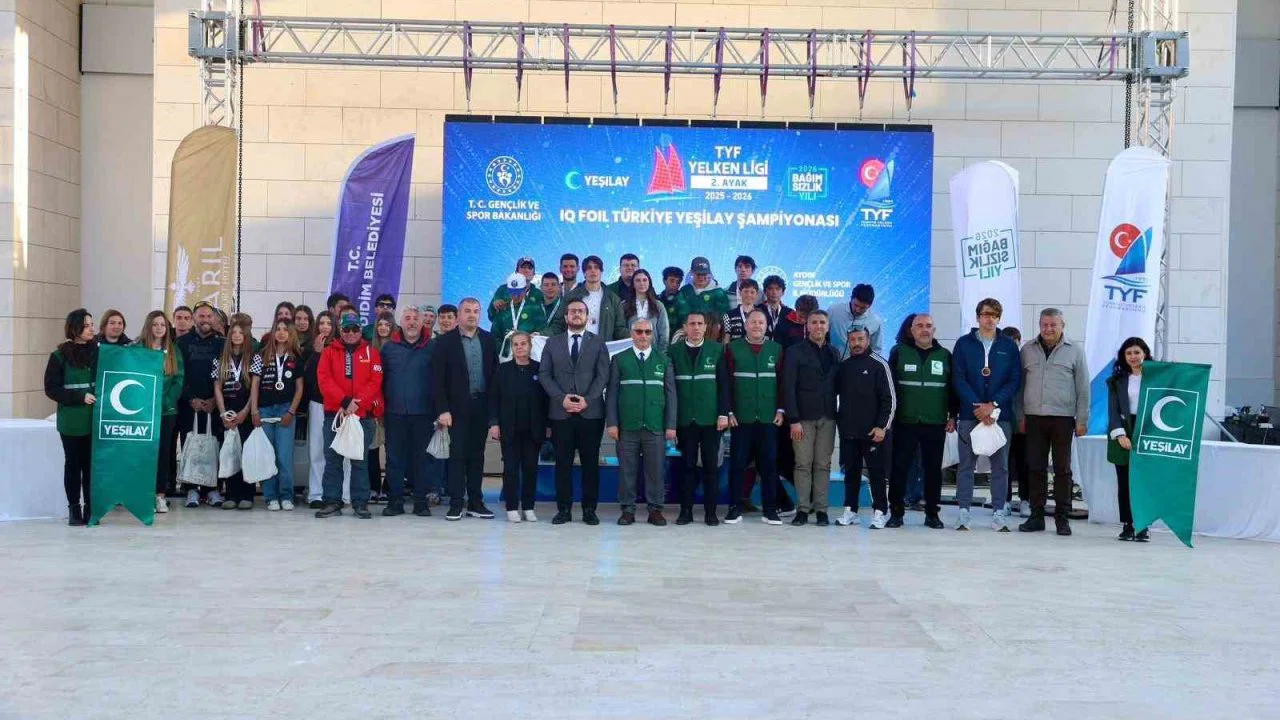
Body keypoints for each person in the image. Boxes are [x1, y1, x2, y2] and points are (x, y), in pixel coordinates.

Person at [951, 298, 1022, 531]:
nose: (989, 319)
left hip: (1000, 416)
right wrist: (978, 406)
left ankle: (999, 512)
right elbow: (958, 378)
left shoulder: (1008, 346)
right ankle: (963, 512)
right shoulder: (964, 344)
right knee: (966, 466)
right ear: (978, 317)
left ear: (999, 318)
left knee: (1000, 467)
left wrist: (993, 405)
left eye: (994, 315)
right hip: (970, 414)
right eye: (985, 314)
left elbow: (1014, 380)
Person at [540, 298, 611, 525]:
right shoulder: (552, 343)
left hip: (590, 413)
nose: (577, 314)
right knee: (563, 463)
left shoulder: (598, 343)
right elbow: (544, 374)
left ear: (587, 316)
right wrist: (561, 399)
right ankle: (564, 509)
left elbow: (603, 375)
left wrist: (587, 400)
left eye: (581, 311)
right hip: (561, 413)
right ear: (566, 316)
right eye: (572, 311)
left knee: (590, 464)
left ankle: (589, 510)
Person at [1019, 308, 1090, 535]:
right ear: (1039, 325)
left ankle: (1062, 518)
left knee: (1062, 470)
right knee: (1035, 468)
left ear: (1062, 326)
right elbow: (1019, 386)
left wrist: (1082, 419)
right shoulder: (1027, 350)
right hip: (1034, 418)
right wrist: (1020, 416)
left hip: (1063, 418)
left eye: (1053, 325)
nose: (1048, 329)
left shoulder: (1075, 351)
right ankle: (1036, 516)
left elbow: (1083, 387)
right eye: (1044, 325)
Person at [606, 318, 677, 527]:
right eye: (639, 331)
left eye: (647, 332)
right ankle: (627, 510)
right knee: (627, 471)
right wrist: (612, 423)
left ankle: (655, 510)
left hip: (655, 426)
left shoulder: (663, 360)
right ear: (632, 334)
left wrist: (671, 425)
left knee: (655, 471)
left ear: (653, 334)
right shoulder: (619, 359)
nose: (643, 336)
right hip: (627, 427)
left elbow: (671, 395)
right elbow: (612, 394)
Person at [432, 298, 498, 521]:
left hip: (481, 405)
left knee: (477, 455)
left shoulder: (488, 340)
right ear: (459, 315)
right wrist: (443, 409)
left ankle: (476, 502)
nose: (472, 315)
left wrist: (493, 413)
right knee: (457, 455)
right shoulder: (445, 342)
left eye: (476, 311)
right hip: (455, 408)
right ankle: (456, 503)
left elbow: (494, 377)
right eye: (467, 311)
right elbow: (437, 379)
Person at [887, 313, 955, 529]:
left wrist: (953, 415)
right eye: (920, 326)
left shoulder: (944, 355)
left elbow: (952, 388)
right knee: (899, 468)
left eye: (928, 326)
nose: (924, 329)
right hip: (905, 421)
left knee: (933, 470)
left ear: (934, 330)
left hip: (935, 422)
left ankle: (932, 514)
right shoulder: (899, 352)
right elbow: (890, 388)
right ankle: (896, 513)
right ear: (912, 330)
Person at [315, 313, 384, 520]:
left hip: (362, 416)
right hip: (335, 414)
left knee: (360, 461)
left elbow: (375, 381)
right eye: (347, 329)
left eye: (355, 329)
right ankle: (332, 501)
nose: (351, 333)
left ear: (360, 330)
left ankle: (360, 503)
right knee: (333, 460)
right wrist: (344, 401)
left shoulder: (372, 353)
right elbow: (324, 380)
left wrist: (357, 403)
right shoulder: (328, 352)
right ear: (340, 331)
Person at [668, 311, 730, 526]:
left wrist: (723, 413)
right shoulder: (673, 351)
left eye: (700, 324)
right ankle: (685, 511)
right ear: (685, 327)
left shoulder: (717, 350)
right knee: (687, 467)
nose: (696, 327)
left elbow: (724, 384)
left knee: (711, 468)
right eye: (692, 323)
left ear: (705, 327)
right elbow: (670, 388)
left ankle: (710, 513)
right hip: (685, 419)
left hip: (711, 420)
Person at [726, 310, 786, 525]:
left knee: (769, 466)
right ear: (746, 325)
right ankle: (734, 509)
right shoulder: (732, 349)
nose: (757, 326)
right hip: (741, 418)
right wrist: (729, 411)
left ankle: (770, 510)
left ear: (766, 325)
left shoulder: (776, 349)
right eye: (753, 322)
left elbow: (782, 383)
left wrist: (781, 410)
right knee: (737, 465)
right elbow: (727, 383)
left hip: (769, 418)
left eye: (761, 322)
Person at [782, 310, 839, 526]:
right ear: (807, 326)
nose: (818, 326)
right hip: (803, 418)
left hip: (828, 416)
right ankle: (803, 509)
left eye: (822, 322)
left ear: (827, 326)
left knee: (823, 465)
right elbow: (788, 387)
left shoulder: (834, 352)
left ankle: (821, 510)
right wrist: (793, 419)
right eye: (814, 322)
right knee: (803, 464)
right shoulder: (795, 352)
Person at [834, 326, 895, 529]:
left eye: (860, 339)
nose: (857, 343)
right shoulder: (844, 367)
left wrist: (882, 427)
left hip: (874, 433)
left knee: (876, 474)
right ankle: (850, 511)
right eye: (853, 340)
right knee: (851, 473)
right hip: (849, 432)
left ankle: (880, 511)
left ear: (868, 340)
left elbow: (890, 399)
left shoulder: (880, 365)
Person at [379, 304, 437, 517]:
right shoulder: (388, 348)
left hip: (424, 414)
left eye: (415, 319)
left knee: (423, 459)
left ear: (422, 323)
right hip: (394, 413)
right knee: (394, 459)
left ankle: (421, 502)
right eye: (408, 318)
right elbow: (380, 381)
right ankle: (395, 502)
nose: (412, 322)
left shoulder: (433, 347)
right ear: (401, 323)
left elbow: (440, 381)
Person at [44, 309, 98, 526]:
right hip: (71, 420)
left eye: (92, 324)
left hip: (95, 419)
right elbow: (51, 389)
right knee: (73, 465)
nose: (91, 329)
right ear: (74, 328)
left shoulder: (99, 352)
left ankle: (91, 509)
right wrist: (79, 397)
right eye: (86, 325)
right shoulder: (59, 356)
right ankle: (74, 509)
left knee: (91, 466)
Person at [489, 331, 549, 523]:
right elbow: (494, 399)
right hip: (509, 428)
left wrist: (548, 425)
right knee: (511, 469)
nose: (520, 347)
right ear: (512, 348)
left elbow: (547, 400)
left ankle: (529, 507)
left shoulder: (540, 369)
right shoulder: (503, 370)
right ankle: (512, 507)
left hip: (533, 429)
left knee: (531, 469)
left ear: (530, 346)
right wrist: (494, 423)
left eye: (523, 343)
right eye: (516, 344)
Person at [249, 318, 304, 511]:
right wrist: (254, 411)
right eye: (278, 329)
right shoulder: (261, 356)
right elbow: (255, 384)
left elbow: (299, 388)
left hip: (285, 410)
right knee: (267, 455)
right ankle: (270, 496)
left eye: (285, 330)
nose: (281, 333)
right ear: (273, 332)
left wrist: (291, 411)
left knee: (284, 456)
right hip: (264, 410)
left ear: (291, 333)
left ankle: (286, 495)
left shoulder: (296, 357)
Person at [177, 302, 226, 508]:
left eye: (208, 316)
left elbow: (226, 374)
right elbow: (178, 374)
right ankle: (191, 488)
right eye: (201, 316)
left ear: (214, 319)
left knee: (214, 446)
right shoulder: (182, 343)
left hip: (214, 405)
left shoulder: (222, 343)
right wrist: (191, 399)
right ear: (194, 318)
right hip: (189, 405)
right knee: (190, 446)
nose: (205, 320)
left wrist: (216, 399)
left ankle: (212, 489)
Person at [1107, 336, 1152, 542]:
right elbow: (1113, 410)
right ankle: (1128, 523)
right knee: (1124, 481)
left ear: (1145, 354)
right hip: (1124, 429)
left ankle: (1143, 525)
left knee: (1144, 480)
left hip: (1147, 429)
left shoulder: (1156, 378)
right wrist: (1120, 434)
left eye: (1137, 352)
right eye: (1129, 353)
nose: (1133, 356)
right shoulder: (1116, 381)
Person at [140, 310, 185, 514]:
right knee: (144, 453)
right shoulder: (138, 350)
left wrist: (164, 401)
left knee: (163, 454)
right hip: (142, 411)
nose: (159, 328)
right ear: (148, 327)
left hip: (166, 411)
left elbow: (178, 381)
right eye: (155, 324)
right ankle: (143, 495)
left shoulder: (173, 352)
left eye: (163, 325)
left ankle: (160, 495)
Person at [212, 316, 256, 509]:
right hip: (228, 412)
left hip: (245, 412)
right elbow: (217, 388)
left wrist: (246, 411)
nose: (237, 336)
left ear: (246, 336)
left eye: (240, 333)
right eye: (234, 333)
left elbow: (255, 388)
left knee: (246, 452)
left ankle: (247, 494)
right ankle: (230, 493)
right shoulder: (220, 359)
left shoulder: (253, 358)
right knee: (229, 452)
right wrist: (223, 414)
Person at [549, 255, 628, 340]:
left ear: (601, 272)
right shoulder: (571, 296)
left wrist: (634, 334)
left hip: (602, 346)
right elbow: (558, 325)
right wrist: (541, 335)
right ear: (584, 273)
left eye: (596, 267)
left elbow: (619, 329)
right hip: (576, 346)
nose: (593, 270)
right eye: (589, 268)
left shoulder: (613, 299)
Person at [302, 311, 336, 508]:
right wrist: (317, 353)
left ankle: (340, 493)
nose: (325, 327)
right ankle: (316, 494)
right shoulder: (310, 347)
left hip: (338, 404)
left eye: (329, 323)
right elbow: (307, 378)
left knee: (338, 451)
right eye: (322, 323)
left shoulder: (340, 346)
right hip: (317, 403)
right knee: (316, 449)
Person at [366, 311, 395, 502]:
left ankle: (388, 488)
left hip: (393, 405)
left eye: (387, 324)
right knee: (372, 449)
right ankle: (374, 487)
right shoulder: (369, 350)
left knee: (392, 450)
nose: (383, 327)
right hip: (374, 405)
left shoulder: (397, 349)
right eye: (380, 324)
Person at [1002, 325, 1030, 516]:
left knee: (1024, 462)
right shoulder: (997, 361)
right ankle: (1003, 500)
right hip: (1002, 419)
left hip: (1023, 420)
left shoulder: (1025, 362)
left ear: (1019, 343)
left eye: (1015, 342)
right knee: (1002, 463)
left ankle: (1025, 500)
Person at [491, 273, 547, 360]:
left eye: (518, 292)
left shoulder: (535, 308)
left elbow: (541, 334)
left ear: (525, 289)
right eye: (513, 292)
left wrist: (526, 338)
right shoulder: (503, 309)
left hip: (529, 358)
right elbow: (495, 335)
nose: (516, 296)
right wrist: (505, 351)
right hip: (506, 359)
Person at [674, 256, 730, 332]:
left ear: (709, 273)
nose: (701, 277)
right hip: (688, 332)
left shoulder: (719, 292)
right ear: (691, 272)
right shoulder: (685, 290)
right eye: (698, 274)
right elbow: (682, 314)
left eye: (704, 274)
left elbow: (724, 316)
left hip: (712, 334)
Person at [621, 269, 670, 354]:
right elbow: (621, 330)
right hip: (630, 353)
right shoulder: (624, 305)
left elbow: (664, 332)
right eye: (638, 280)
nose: (641, 283)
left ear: (649, 283)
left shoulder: (658, 305)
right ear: (633, 284)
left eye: (644, 280)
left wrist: (660, 354)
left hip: (654, 353)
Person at [829, 283, 884, 358]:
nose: (857, 310)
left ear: (870, 305)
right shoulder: (834, 311)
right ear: (851, 298)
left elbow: (876, 349)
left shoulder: (875, 321)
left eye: (862, 308)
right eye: (856, 305)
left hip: (859, 364)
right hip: (831, 361)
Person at [490, 257, 544, 321]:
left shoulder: (539, 294)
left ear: (533, 274)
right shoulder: (503, 290)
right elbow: (491, 316)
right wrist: (494, 307)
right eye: (523, 267)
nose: (527, 270)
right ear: (516, 272)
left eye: (530, 268)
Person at [759, 275, 790, 340]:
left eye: (777, 289)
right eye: (770, 288)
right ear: (765, 292)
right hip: (762, 346)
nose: (774, 292)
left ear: (783, 292)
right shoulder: (757, 311)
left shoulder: (789, 313)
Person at [658, 266, 684, 341]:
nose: (675, 284)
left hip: (676, 342)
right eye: (672, 281)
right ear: (664, 281)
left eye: (678, 282)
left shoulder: (684, 303)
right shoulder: (656, 301)